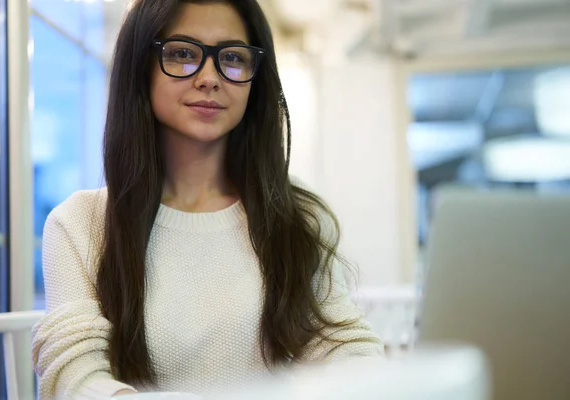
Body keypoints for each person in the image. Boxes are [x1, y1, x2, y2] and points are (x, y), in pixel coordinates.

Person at [31, 0, 384, 398]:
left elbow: (341, 344)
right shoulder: (79, 223)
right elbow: (75, 381)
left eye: (232, 57)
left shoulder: (299, 216)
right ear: (140, 68)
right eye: (182, 53)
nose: (210, 77)